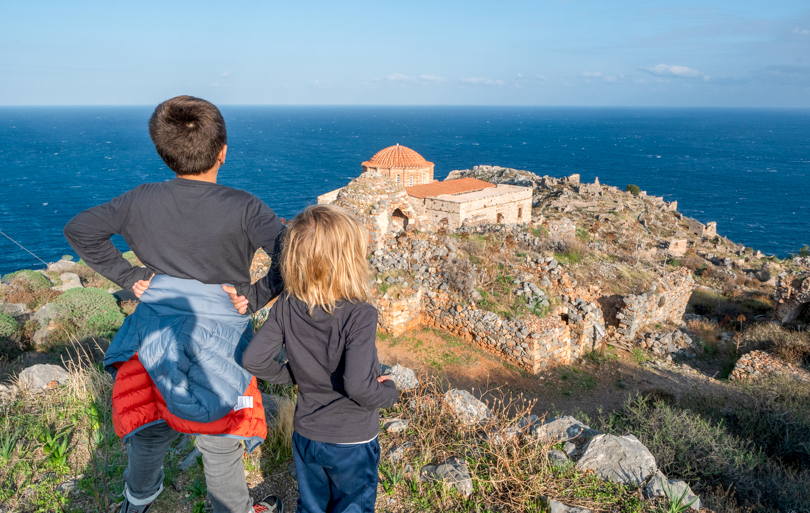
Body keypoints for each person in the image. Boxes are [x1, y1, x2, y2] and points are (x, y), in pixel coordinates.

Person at [64, 96, 285, 513]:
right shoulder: (244, 207)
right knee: (220, 440)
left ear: (164, 153)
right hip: (222, 339)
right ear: (223, 152)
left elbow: (81, 230)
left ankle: (136, 504)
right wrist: (255, 297)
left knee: (148, 428)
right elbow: (293, 254)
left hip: (152, 333)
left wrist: (131, 278)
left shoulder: (140, 200)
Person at [240, 205, 398, 513]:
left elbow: (254, 360)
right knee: (352, 506)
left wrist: (295, 375)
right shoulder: (359, 313)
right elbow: (358, 386)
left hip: (307, 435)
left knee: (312, 505)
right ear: (349, 261)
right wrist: (389, 392)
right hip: (352, 439)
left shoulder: (286, 304)